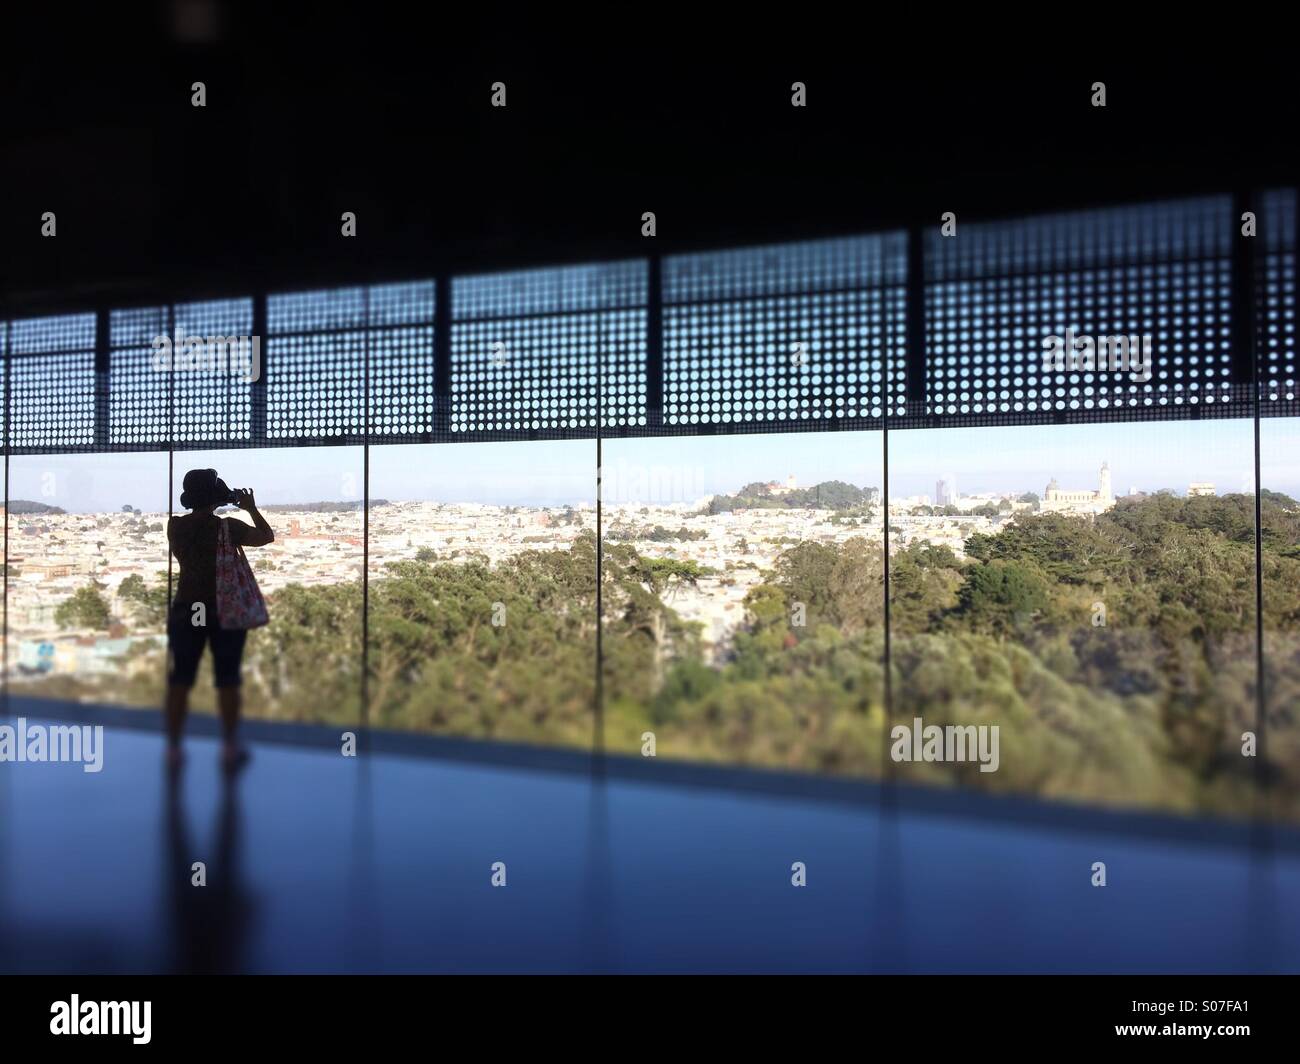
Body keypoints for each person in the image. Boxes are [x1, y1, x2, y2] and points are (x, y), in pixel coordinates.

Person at [166, 468, 274, 768]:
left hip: (188, 607)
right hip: (223, 608)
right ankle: (229, 747)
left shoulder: (175, 527)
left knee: (180, 680)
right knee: (227, 680)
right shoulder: (229, 528)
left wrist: (217, 498)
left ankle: (173, 749)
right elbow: (267, 536)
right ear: (215, 497)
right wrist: (249, 506)